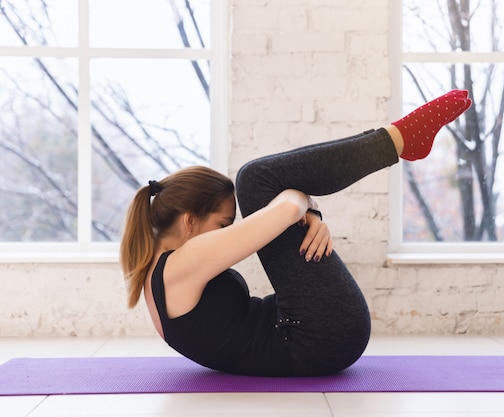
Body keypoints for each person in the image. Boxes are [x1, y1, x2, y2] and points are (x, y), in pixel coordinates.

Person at [120, 90, 472, 377]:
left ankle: (398, 141)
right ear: (189, 221)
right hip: (316, 336)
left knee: (261, 182)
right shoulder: (180, 266)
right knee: (255, 179)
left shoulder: (157, 275)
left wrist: (308, 210)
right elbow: (287, 209)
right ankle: (399, 139)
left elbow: (288, 212)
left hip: (312, 333)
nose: (227, 232)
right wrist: (304, 203)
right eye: (223, 224)